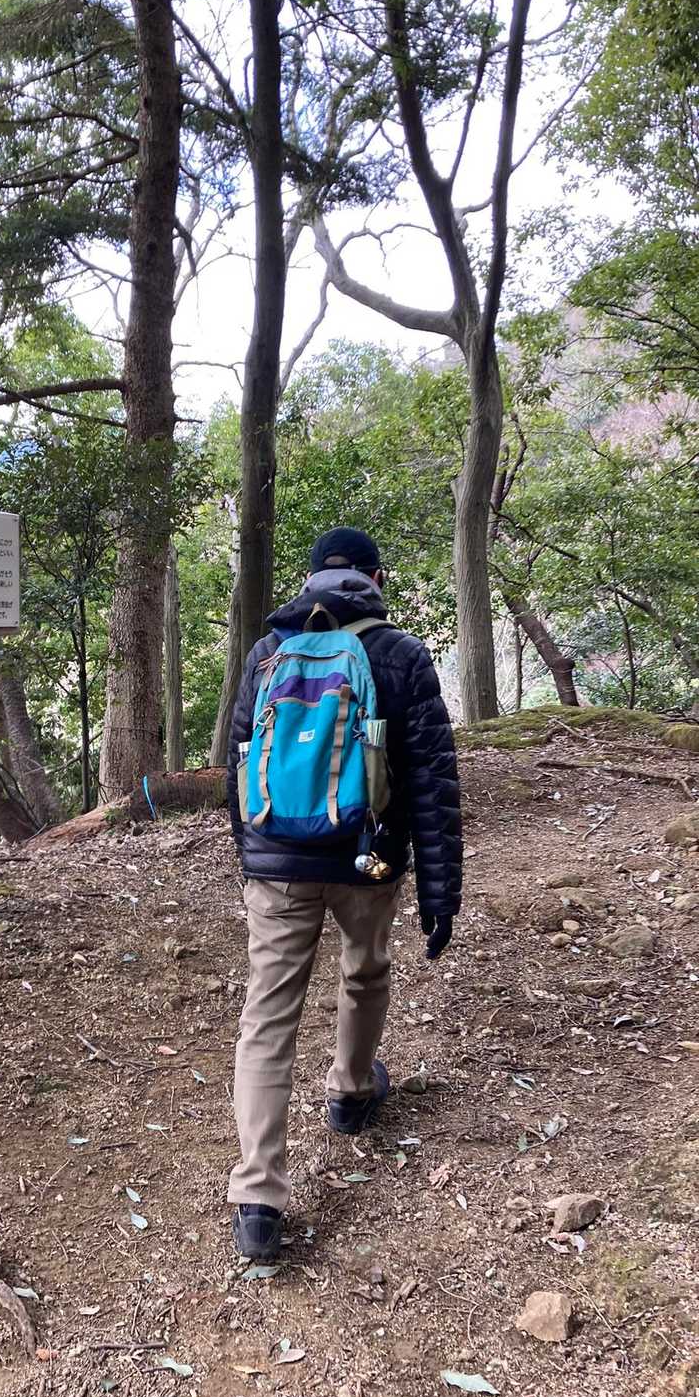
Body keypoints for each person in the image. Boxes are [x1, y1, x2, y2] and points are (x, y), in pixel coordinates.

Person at [227, 526, 462, 1259]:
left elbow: (238, 763)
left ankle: (257, 1196)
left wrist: (253, 857)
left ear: (310, 580)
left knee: (268, 1016)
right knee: (365, 969)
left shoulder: (269, 651)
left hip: (278, 862)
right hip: (369, 857)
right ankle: (351, 1091)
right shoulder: (401, 654)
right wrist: (439, 889)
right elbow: (430, 781)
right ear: (376, 579)